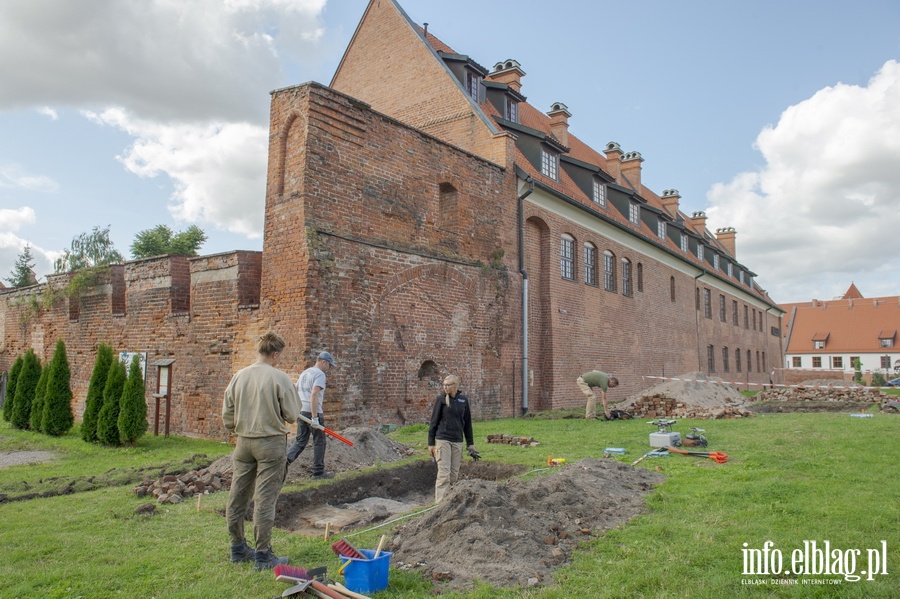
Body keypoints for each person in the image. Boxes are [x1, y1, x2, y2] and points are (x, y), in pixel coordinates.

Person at [223, 332, 301, 570]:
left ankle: (237, 548)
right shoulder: (279, 378)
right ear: (275, 354)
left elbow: (227, 415)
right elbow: (291, 414)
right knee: (265, 499)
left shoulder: (239, 376)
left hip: (243, 442)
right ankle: (263, 555)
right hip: (270, 443)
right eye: (280, 356)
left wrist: (240, 426)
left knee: (238, 495)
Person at [427, 374, 478, 503]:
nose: (445, 387)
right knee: (444, 474)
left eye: (448, 385)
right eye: (443, 385)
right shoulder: (441, 400)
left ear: (455, 386)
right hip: (443, 439)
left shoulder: (463, 400)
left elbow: (467, 423)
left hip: (457, 440)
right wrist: (431, 443)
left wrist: (470, 444)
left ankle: (449, 501)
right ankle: (439, 504)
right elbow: (433, 422)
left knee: (454, 474)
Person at [286, 351, 335, 479]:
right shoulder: (320, 375)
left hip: (301, 411)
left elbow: (294, 389)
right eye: (329, 365)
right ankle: (318, 472)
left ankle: (284, 462)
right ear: (324, 362)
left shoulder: (305, 373)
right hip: (313, 411)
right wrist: (314, 418)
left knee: (300, 441)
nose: (329, 369)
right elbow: (314, 395)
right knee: (320, 441)